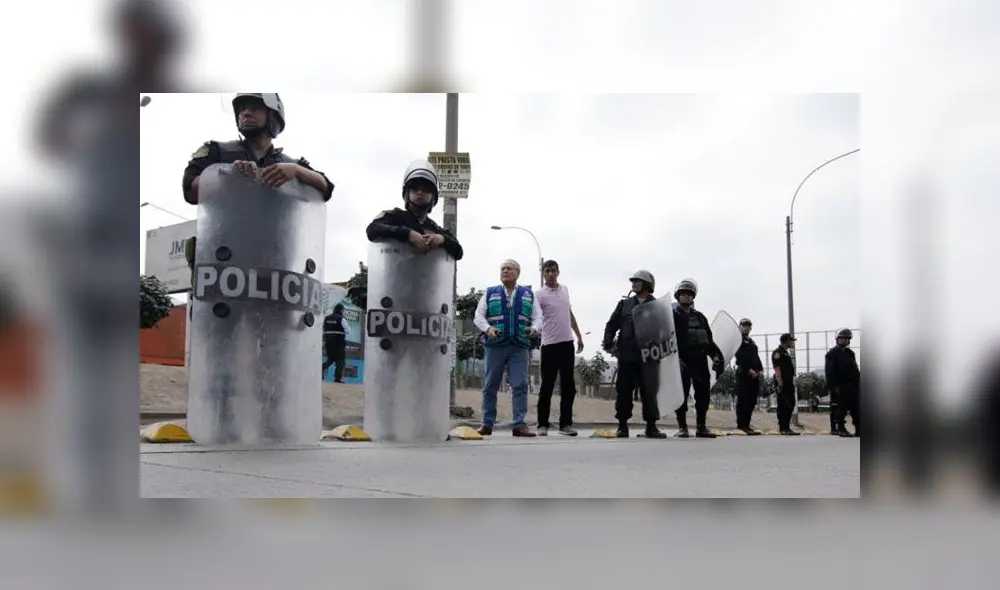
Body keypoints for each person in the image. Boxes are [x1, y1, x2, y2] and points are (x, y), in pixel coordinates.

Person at [182, 93, 335, 206]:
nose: (246, 113)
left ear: (273, 116)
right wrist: (228, 175)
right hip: (226, 242)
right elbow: (189, 189)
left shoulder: (289, 164)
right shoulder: (217, 151)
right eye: (242, 109)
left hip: (277, 245)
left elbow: (326, 187)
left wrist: (297, 171)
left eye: (255, 108)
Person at [473, 260, 542, 437]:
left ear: (517, 273)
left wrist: (534, 329)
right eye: (502, 268)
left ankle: (519, 424)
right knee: (490, 385)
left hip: (519, 346)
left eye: (509, 269)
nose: (505, 271)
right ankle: (486, 424)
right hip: (495, 346)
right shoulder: (489, 293)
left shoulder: (529, 294)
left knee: (520, 385)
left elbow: (538, 318)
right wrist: (488, 329)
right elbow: (478, 317)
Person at [602, 271, 666, 439]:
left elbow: (666, 330)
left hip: (650, 356)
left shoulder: (658, 306)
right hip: (627, 354)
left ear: (647, 284)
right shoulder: (624, 305)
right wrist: (608, 341)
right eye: (633, 281)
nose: (633, 283)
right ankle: (622, 425)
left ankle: (651, 426)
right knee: (623, 391)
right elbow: (612, 324)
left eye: (637, 281)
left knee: (650, 392)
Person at [365, 160, 464, 261]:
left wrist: (441, 239)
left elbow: (458, 251)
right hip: (395, 275)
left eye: (426, 190)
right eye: (415, 189)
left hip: (426, 276)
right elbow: (372, 229)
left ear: (433, 197)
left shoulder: (434, 228)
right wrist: (408, 234)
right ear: (407, 194)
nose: (420, 192)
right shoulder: (395, 217)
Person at [535, 260, 585, 436]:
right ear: (543, 274)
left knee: (568, 386)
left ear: (558, 272)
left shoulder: (565, 290)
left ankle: (565, 424)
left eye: (553, 271)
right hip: (549, 345)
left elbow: (569, 314)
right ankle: (542, 424)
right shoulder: (539, 295)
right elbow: (535, 317)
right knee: (547, 386)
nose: (550, 274)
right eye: (547, 271)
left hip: (567, 344)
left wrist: (579, 336)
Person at [672, 279, 725, 438]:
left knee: (703, 395)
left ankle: (701, 427)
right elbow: (667, 341)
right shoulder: (672, 317)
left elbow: (708, 340)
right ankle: (682, 427)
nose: (686, 296)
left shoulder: (700, 318)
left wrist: (716, 357)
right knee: (681, 395)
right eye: (683, 294)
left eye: (689, 294)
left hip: (700, 361)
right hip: (681, 362)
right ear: (678, 296)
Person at [825, 328, 860, 437]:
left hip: (852, 386)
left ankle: (859, 428)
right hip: (840, 385)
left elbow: (855, 369)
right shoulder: (832, 353)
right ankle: (840, 428)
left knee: (856, 408)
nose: (845, 340)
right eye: (843, 338)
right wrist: (834, 386)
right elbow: (830, 371)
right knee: (840, 408)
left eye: (847, 338)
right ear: (838, 339)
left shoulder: (850, 353)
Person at [733, 317, 764, 435]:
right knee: (743, 400)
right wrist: (748, 369)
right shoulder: (738, 340)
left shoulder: (751, 342)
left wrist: (760, 370)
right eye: (744, 325)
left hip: (754, 375)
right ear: (740, 327)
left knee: (751, 401)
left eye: (748, 326)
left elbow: (756, 357)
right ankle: (741, 425)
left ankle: (747, 425)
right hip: (744, 374)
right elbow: (739, 357)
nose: (746, 327)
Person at [771, 333, 801, 435]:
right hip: (782, 383)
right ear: (786, 341)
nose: (792, 343)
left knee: (790, 404)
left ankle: (787, 427)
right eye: (791, 341)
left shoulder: (785, 353)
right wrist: (780, 384)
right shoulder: (778, 353)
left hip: (788, 383)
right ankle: (783, 427)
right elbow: (777, 369)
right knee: (783, 405)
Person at [322, 303, 352, 383]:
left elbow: (323, 328)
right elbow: (348, 331)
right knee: (341, 360)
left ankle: (320, 370)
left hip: (328, 342)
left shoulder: (326, 318)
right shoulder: (341, 318)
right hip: (339, 343)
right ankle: (337, 379)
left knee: (331, 359)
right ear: (341, 310)